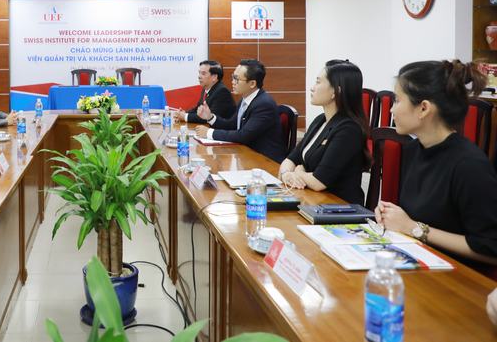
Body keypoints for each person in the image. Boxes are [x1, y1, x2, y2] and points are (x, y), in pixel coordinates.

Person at [376, 60, 497, 269]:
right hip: (419, 265)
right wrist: (390, 215)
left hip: (457, 278)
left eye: (397, 100)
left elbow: (491, 249)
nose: (391, 109)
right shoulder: (413, 150)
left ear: (423, 108)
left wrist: (414, 228)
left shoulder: (470, 166)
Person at [278, 60, 371, 205]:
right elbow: (290, 160)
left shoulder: (349, 129)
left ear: (336, 91)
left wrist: (298, 172)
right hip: (314, 200)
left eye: (318, 82)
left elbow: (319, 182)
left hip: (339, 206)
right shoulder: (320, 120)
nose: (312, 88)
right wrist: (286, 174)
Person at [194, 59, 285, 162]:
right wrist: (210, 117)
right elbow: (232, 125)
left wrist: (209, 133)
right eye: (233, 77)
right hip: (247, 154)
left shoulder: (264, 105)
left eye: (236, 79)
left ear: (252, 83)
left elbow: (243, 136)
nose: (232, 82)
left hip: (265, 160)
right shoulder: (245, 99)